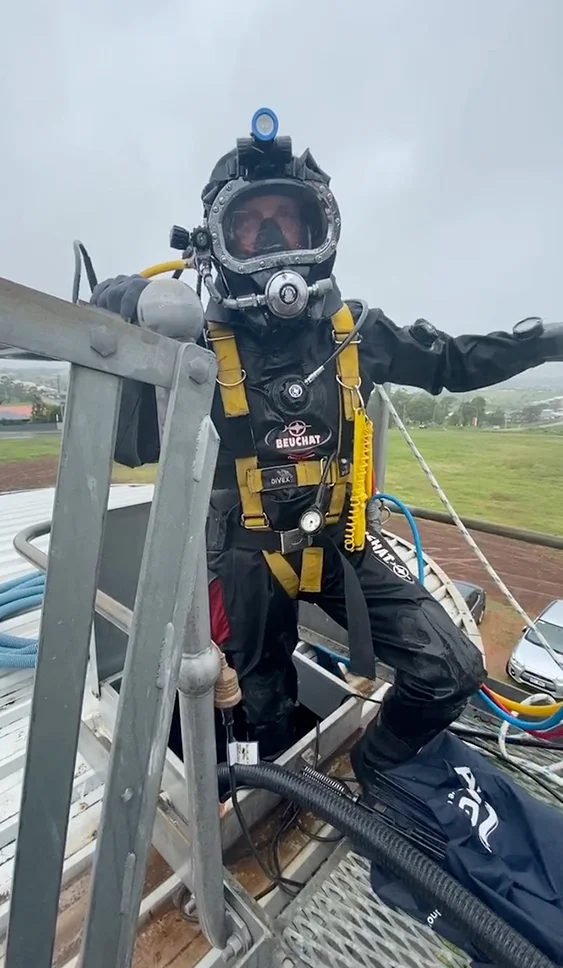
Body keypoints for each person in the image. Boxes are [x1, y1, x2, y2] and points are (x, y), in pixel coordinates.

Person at [90, 109, 563, 788]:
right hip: (246, 552)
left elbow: (454, 362)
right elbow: (130, 439)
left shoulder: (353, 333)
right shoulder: (195, 346)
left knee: (451, 667)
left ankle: (373, 773)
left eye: (291, 221)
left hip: (338, 536)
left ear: (319, 234)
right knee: (260, 714)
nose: (276, 239)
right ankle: (261, 791)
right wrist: (126, 301)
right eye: (255, 225)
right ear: (220, 243)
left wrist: (543, 339)